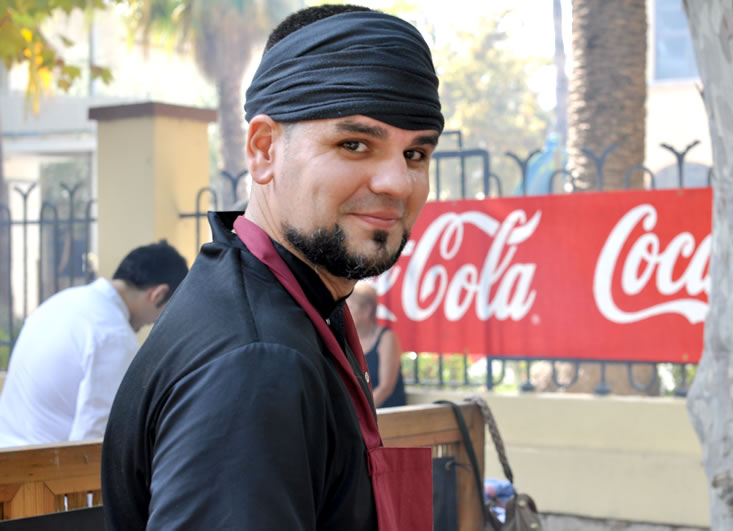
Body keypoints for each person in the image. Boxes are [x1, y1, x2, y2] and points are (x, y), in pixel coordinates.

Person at [101, 4, 443, 530]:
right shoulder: (256, 362)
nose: (397, 182)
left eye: (416, 154)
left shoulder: (279, 303)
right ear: (264, 151)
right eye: (354, 144)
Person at [0, 240, 188, 447]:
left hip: (8, 451)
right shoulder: (113, 335)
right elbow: (92, 442)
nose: (155, 322)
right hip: (38, 462)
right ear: (158, 294)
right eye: (166, 311)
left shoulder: (62, 301)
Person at [348, 282, 406, 408]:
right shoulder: (347, 339)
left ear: (367, 309)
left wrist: (362, 413)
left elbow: (386, 387)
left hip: (387, 412)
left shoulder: (387, 337)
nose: (345, 313)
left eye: (350, 307)